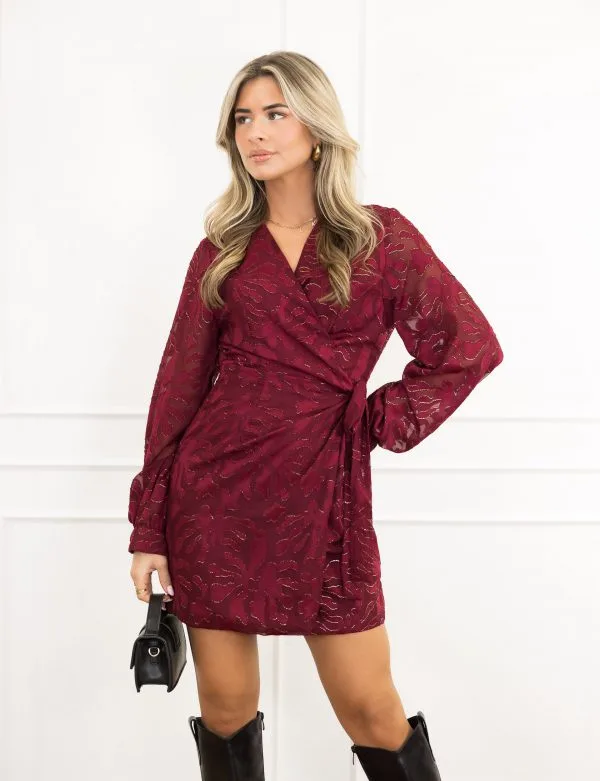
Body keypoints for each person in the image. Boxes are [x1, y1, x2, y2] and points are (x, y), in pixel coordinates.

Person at [128, 50, 503, 781]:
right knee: (226, 708)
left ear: (316, 125)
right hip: (214, 500)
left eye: (276, 113)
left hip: (327, 503)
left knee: (371, 708)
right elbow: (176, 390)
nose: (256, 132)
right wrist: (149, 527)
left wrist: (376, 420)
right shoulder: (221, 251)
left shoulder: (379, 239)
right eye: (243, 118)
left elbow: (468, 347)